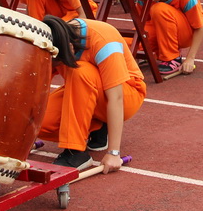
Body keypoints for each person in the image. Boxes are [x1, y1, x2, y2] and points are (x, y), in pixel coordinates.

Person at [39, 15, 146, 171]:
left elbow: (116, 98)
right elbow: (38, 89)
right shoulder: (53, 38)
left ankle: (75, 152)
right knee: (37, 123)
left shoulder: (104, 41)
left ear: (69, 46)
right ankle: (97, 128)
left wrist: (114, 153)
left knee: (79, 71)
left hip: (126, 96)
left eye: (56, 63)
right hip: (86, 93)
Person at [142, 0, 203, 77]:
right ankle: (160, 51)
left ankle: (172, 57)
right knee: (125, 43)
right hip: (161, 30)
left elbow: (200, 27)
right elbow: (143, 25)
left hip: (185, 33)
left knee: (159, 9)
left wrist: (190, 58)